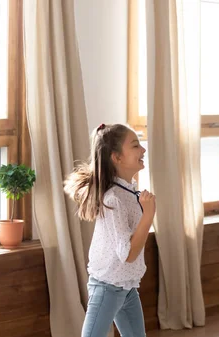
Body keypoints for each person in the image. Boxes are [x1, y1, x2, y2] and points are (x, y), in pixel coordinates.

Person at [64, 123, 156, 337]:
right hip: (107, 287)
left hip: (126, 287)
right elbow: (128, 254)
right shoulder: (113, 198)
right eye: (135, 145)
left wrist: (146, 212)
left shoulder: (129, 192)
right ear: (117, 157)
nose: (143, 150)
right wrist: (148, 215)